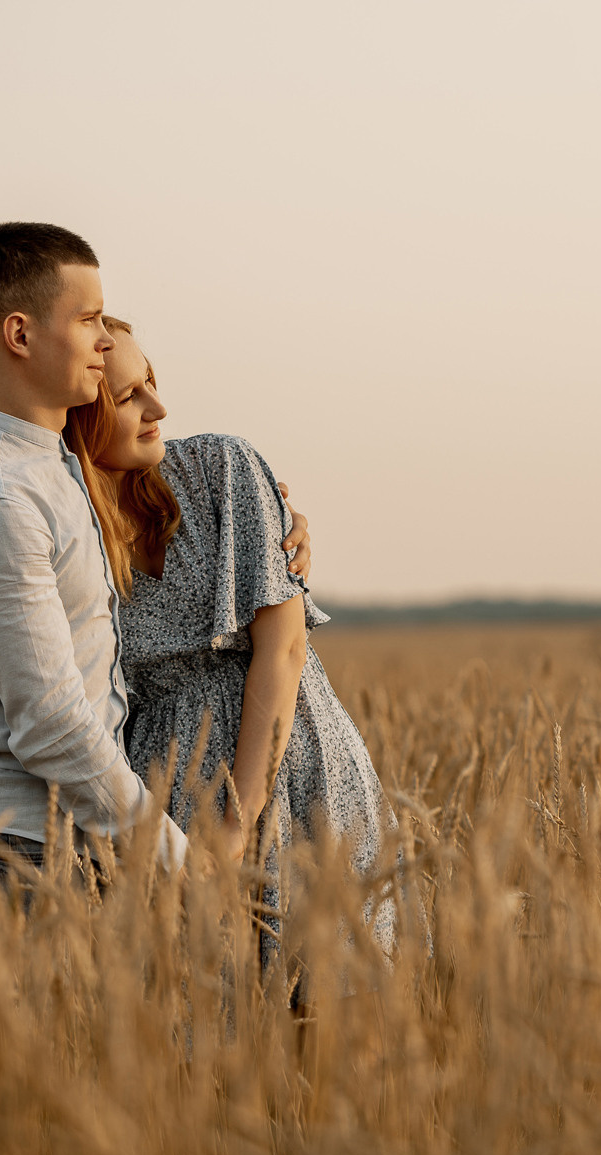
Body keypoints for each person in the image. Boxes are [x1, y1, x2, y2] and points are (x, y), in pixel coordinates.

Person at [0, 223, 311, 886]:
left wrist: (267, 511)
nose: (102, 338)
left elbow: (134, 479)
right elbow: (52, 725)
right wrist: (183, 863)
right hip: (13, 853)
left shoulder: (44, 467)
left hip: (59, 845)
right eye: (88, 318)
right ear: (20, 335)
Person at [60, 319, 395, 957]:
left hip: (295, 768)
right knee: (208, 1031)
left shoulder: (221, 466)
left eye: (152, 382)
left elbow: (285, 649)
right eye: (128, 397)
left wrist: (240, 811)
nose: (159, 408)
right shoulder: (64, 525)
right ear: (79, 417)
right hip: (162, 794)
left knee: (331, 1013)